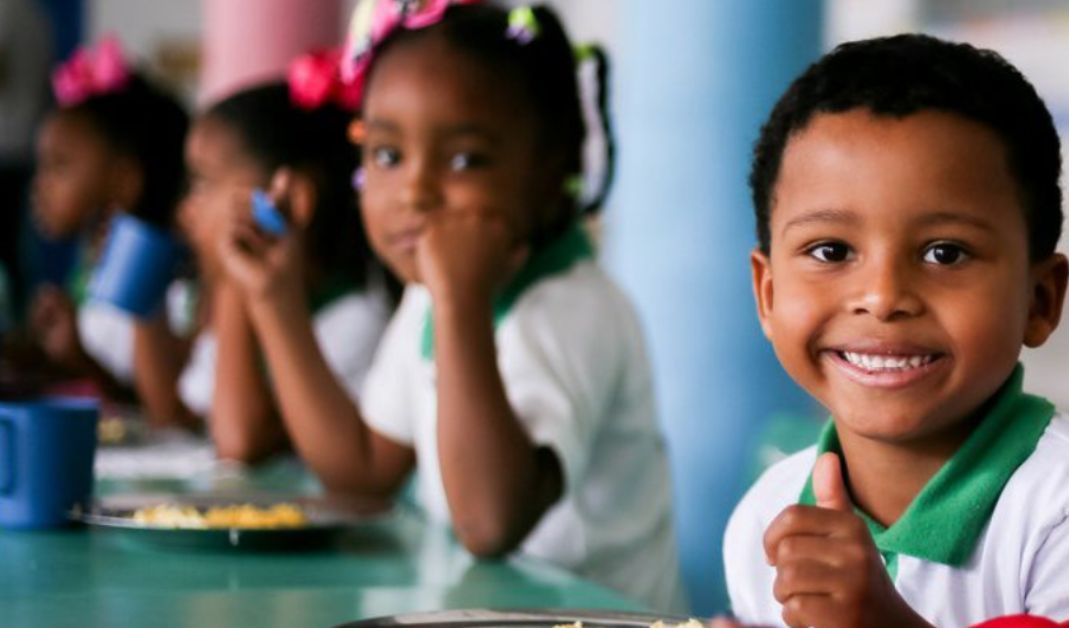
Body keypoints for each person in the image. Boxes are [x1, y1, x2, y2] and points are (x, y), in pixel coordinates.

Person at [215, 0, 685, 613]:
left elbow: (491, 523)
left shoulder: (569, 310)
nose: (415, 191)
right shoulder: (431, 295)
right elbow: (362, 472)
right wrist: (275, 302)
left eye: (465, 159)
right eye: (387, 155)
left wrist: (460, 302)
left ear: (553, 173)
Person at [723, 34, 1069, 627]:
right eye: (831, 249)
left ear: (1039, 299)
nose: (883, 298)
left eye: (945, 253)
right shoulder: (769, 515)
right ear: (768, 293)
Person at [145, 50, 392, 458]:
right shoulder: (235, 316)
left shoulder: (354, 322)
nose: (186, 209)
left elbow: (242, 441)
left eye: (204, 185)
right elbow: (183, 415)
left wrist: (234, 285)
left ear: (292, 199)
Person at [29, 37, 188, 402]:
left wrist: (78, 358)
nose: (40, 187)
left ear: (124, 180)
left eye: (59, 166)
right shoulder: (93, 260)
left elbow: (158, 409)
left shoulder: (172, 278)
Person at [0, 0, 53, 319]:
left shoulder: (8, 14)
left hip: (6, 149)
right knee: (15, 249)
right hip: (24, 144)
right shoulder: (35, 16)